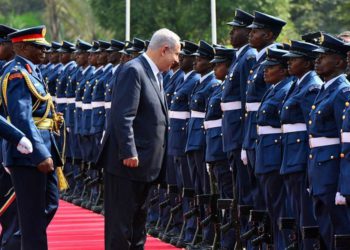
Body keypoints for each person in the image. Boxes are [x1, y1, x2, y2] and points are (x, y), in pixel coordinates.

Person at [96, 28, 181, 250]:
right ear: (164, 50)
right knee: (121, 228)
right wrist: (129, 151)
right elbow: (122, 115)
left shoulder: (154, 74)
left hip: (144, 165)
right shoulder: (134, 70)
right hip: (127, 164)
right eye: (176, 54)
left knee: (137, 226)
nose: (177, 60)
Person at [1, 25, 63, 250]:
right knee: (32, 217)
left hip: (41, 150)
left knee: (49, 205)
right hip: (27, 155)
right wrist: (40, 154)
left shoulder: (31, 70)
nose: (44, 52)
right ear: (23, 47)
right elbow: (22, 118)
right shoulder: (16, 73)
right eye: (39, 48)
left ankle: (14, 244)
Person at [309, 32, 350, 249]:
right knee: (325, 227)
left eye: (323, 56)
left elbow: (346, 141)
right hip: (320, 168)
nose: (317, 60)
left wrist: (343, 185)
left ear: (339, 61)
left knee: (338, 229)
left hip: (333, 170)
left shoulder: (342, 91)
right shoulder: (326, 89)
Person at [280, 40, 321, 249]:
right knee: (296, 209)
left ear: (306, 63)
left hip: (301, 155)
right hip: (291, 153)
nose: (288, 63)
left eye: (293, 59)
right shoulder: (298, 83)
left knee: (305, 213)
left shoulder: (311, 85)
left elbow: (311, 127)